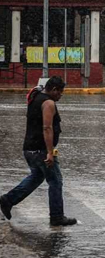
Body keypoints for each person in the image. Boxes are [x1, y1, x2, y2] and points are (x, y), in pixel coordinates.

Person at [0, 77, 77, 227]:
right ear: (54, 90)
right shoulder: (48, 103)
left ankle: (7, 200)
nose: (61, 96)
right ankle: (56, 217)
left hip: (29, 148)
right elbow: (47, 128)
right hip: (40, 150)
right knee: (55, 181)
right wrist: (50, 152)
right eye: (60, 93)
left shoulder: (35, 96)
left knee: (36, 177)